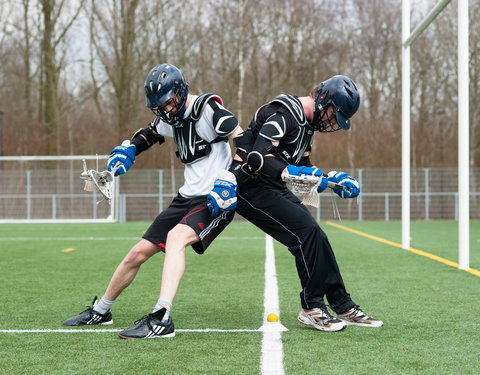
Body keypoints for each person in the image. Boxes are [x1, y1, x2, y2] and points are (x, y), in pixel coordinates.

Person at [63, 63, 242, 339]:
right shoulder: (169, 118)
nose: (166, 110)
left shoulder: (206, 109)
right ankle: (102, 310)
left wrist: (231, 178)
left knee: (175, 239)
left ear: (181, 92)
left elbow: (241, 137)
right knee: (137, 253)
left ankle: (162, 317)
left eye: (170, 103)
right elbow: (150, 133)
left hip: (214, 198)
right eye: (160, 106)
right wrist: (130, 149)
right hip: (186, 197)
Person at [209, 75, 383, 332]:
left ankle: (342, 304)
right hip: (249, 186)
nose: (335, 121)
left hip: (271, 186)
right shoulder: (284, 113)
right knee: (306, 234)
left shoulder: (307, 126)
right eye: (336, 113)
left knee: (318, 238)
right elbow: (257, 158)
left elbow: (302, 167)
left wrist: (330, 180)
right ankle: (312, 307)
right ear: (324, 99)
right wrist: (294, 173)